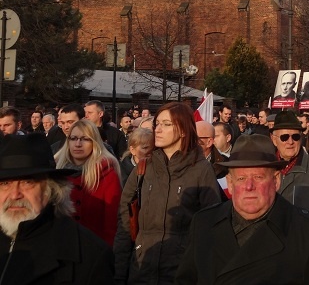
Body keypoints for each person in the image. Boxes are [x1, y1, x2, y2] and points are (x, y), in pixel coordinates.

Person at [175, 134, 309, 284]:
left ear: (276, 181)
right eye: (241, 178)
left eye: (258, 177)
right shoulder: (204, 223)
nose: (249, 186)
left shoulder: (306, 232)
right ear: (230, 184)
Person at [114, 102, 221, 284]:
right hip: (141, 270)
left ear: (184, 130)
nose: (158, 129)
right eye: (157, 124)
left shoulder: (201, 170)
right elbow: (125, 225)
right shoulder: (143, 168)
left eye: (166, 124)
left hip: (181, 273)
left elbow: (211, 227)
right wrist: (119, 274)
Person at [0, 133, 114, 283]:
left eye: (28, 182)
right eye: (5, 184)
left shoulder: (90, 254)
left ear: (52, 189)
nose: (14, 194)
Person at [54, 119, 122, 246]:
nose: (78, 144)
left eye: (85, 139)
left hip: (94, 250)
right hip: (61, 247)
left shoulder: (107, 174)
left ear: (95, 142)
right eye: (73, 138)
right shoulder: (56, 172)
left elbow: (111, 223)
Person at [270, 111, 309, 198]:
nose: (290, 142)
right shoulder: (265, 168)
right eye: (284, 137)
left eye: (295, 137)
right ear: (274, 140)